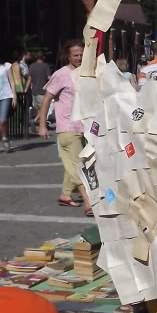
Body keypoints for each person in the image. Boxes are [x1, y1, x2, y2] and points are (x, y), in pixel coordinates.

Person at [38, 40, 92, 216]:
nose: (79, 57)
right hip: (68, 128)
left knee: (74, 163)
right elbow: (47, 98)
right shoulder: (61, 74)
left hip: (85, 128)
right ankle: (88, 202)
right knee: (79, 166)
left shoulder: (86, 73)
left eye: (82, 54)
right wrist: (42, 125)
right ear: (68, 56)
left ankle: (65, 195)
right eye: (75, 55)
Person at [27, 51, 52, 129]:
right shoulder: (45, 66)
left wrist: (26, 89)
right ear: (43, 57)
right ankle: (34, 121)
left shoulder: (31, 66)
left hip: (34, 90)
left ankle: (40, 125)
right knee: (44, 108)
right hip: (42, 90)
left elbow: (29, 78)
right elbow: (49, 78)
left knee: (39, 108)